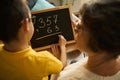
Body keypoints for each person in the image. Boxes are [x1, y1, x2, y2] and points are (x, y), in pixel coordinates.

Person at [0, 0, 67, 80]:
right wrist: (63, 47)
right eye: (31, 18)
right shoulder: (43, 59)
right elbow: (62, 66)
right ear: (26, 25)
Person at [56, 0, 120, 80]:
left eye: (79, 27)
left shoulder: (69, 77)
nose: (75, 27)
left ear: (98, 40)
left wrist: (58, 65)